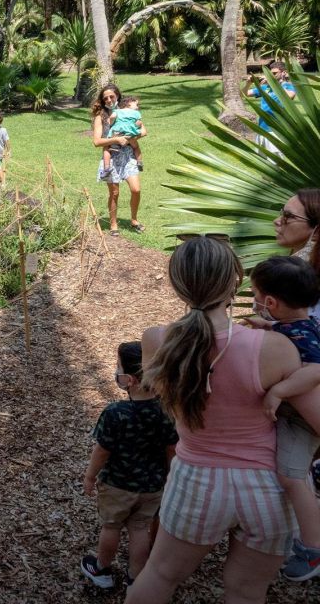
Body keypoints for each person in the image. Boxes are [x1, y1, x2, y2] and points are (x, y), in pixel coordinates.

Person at [125, 236, 320, 604]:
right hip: (267, 486)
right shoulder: (275, 347)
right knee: (247, 592)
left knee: (161, 576)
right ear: (235, 280)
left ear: (177, 283)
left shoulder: (157, 341)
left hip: (196, 480)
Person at [81, 341, 178, 589]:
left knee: (111, 526)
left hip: (117, 485)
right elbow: (171, 449)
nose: (116, 371)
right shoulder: (167, 410)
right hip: (152, 486)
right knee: (139, 529)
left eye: (118, 367)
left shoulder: (115, 412)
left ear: (129, 379)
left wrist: (90, 476)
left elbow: (103, 449)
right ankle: (137, 576)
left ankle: (102, 568)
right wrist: (169, 477)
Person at [250, 257, 320, 581]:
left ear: (270, 302)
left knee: (292, 478)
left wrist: (279, 390)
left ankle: (312, 549)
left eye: (254, 295)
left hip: (302, 422)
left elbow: (316, 371)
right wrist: (269, 327)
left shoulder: (303, 338)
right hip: (300, 418)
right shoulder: (300, 327)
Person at [92, 84, 145, 236]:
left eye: (112, 97)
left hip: (128, 155)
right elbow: (96, 142)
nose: (109, 100)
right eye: (105, 98)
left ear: (117, 96)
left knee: (136, 189)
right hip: (111, 155)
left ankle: (134, 219)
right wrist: (116, 138)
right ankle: (113, 224)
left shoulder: (127, 111)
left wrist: (129, 138)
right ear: (102, 101)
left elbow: (143, 130)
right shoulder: (100, 117)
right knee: (114, 193)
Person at [273, 189, 320, 322]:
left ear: (317, 231)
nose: (277, 221)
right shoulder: (295, 270)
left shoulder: (304, 279)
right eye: (282, 213)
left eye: (289, 216)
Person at [247, 61, 297, 155]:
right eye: (270, 74)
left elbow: (290, 95)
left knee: (274, 164)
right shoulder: (266, 87)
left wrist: (273, 83)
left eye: (275, 73)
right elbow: (245, 93)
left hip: (277, 131)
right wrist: (248, 83)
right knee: (261, 164)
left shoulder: (288, 86)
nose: (272, 75)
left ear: (284, 72)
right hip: (262, 129)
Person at [102, 96, 144, 178]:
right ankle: (139, 162)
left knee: (107, 148)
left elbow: (112, 117)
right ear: (128, 104)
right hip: (129, 134)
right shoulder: (136, 113)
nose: (138, 107)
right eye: (136, 105)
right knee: (136, 147)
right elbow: (139, 123)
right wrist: (134, 127)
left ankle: (106, 168)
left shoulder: (117, 111)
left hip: (116, 133)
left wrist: (111, 123)